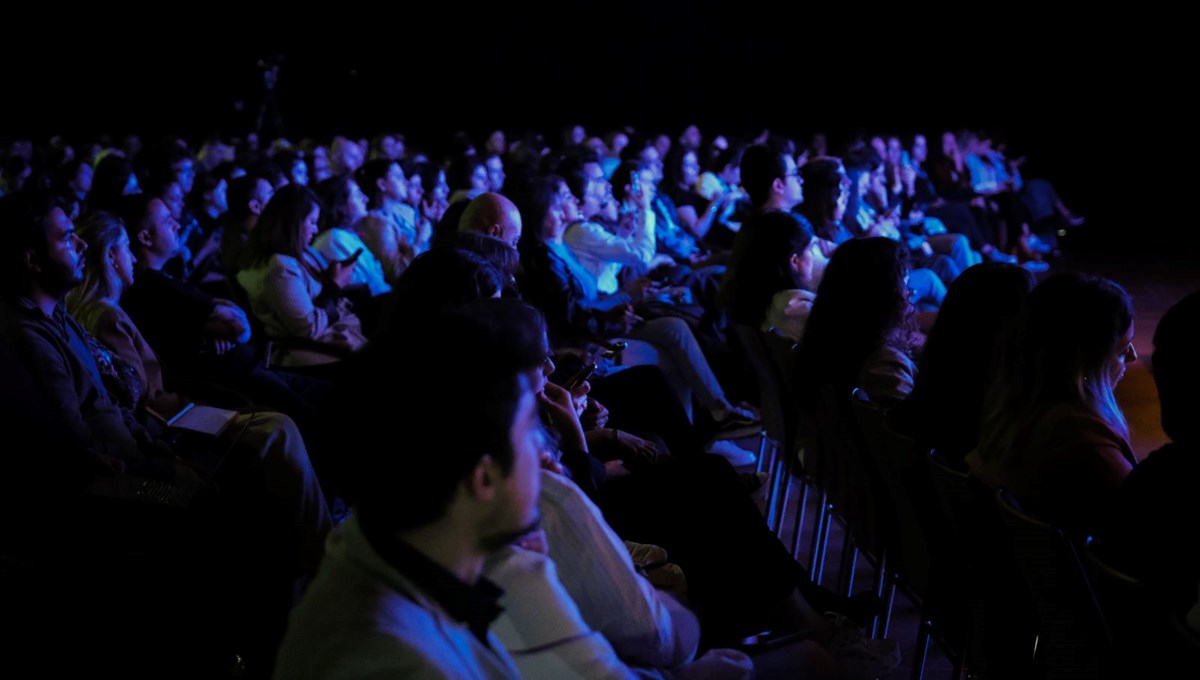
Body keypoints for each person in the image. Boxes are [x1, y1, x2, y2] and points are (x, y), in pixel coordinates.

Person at [275, 302, 546, 678]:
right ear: (483, 478)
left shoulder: (387, 556)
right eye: (531, 430)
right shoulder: (397, 664)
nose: (544, 450)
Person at [969, 273, 1138, 539]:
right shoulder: (1083, 441)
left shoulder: (1012, 413)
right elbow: (1139, 523)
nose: (1133, 357)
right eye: (1122, 349)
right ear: (1086, 358)